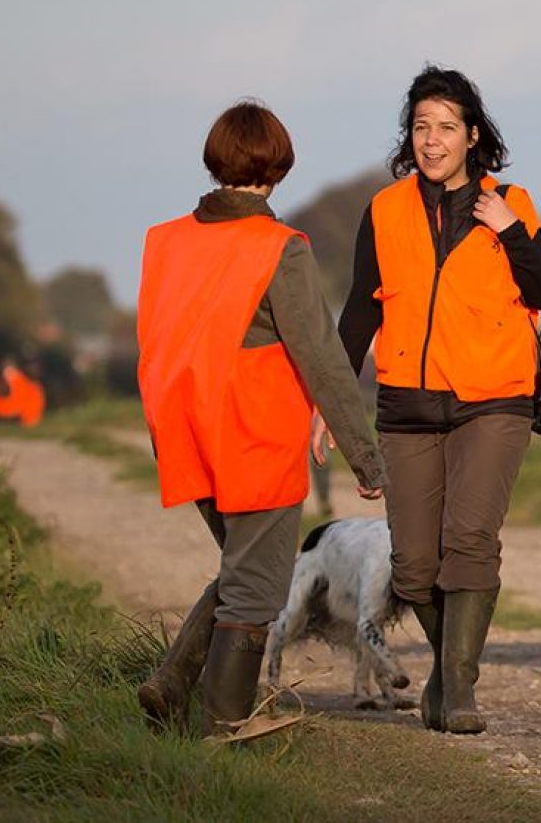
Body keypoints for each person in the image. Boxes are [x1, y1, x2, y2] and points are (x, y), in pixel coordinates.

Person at [136, 100, 387, 733]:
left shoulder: (165, 241)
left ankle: (170, 684)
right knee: (256, 589)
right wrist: (366, 454)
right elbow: (323, 357)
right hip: (254, 438)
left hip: (186, 434)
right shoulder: (281, 249)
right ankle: (226, 729)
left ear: (215, 160)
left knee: (246, 568)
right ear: (277, 167)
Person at [337, 65, 541, 734]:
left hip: (493, 398)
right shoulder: (384, 210)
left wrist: (510, 229)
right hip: (407, 401)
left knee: (469, 538)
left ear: (472, 135)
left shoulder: (510, 201)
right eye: (420, 127)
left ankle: (458, 690)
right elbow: (357, 313)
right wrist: (327, 400)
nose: (431, 140)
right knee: (412, 565)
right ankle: (449, 669)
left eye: (445, 127)